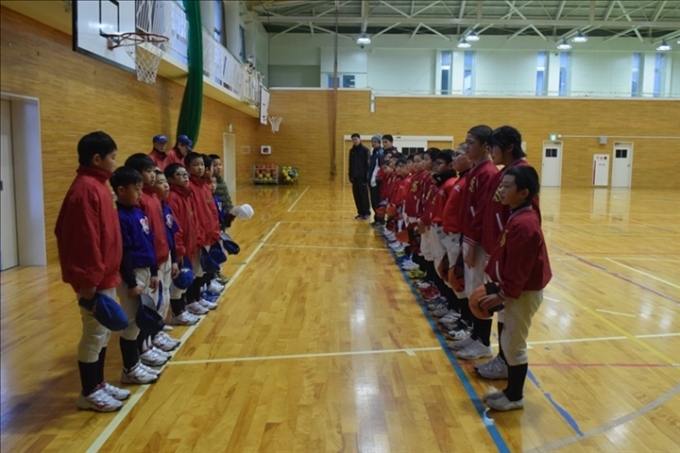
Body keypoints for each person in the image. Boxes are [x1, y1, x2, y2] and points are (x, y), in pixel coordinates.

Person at [55, 131, 129, 412]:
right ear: (97, 159)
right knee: (94, 333)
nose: (115, 162)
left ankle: (98, 383)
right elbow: (84, 239)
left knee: (102, 331)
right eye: (113, 157)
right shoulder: (85, 189)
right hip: (94, 279)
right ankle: (88, 392)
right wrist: (89, 278)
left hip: (104, 275)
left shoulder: (99, 186)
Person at [481, 165, 551, 411]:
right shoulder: (517, 216)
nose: (501, 190)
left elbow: (519, 268)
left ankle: (515, 396)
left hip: (523, 292)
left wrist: (502, 293)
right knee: (509, 341)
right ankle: (510, 391)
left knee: (514, 344)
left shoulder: (525, 224)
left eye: (507, 186)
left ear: (524, 193)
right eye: (502, 185)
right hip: (516, 290)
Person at [475, 126, 537, 380]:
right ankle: (502, 358)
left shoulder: (521, 175)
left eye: (494, 146)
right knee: (504, 311)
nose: (490, 151)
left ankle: (505, 362)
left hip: (507, 254)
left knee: (508, 314)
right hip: (498, 250)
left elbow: (529, 222)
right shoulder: (506, 172)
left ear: (510, 147)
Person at [124, 153, 181, 356]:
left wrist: (171, 254)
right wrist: (154, 265)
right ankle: (146, 345)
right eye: (148, 171)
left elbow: (162, 231)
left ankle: (155, 336)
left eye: (153, 171)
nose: (153, 175)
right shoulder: (140, 202)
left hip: (162, 256)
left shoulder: (155, 198)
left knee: (162, 299)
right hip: (149, 260)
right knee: (149, 304)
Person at [451, 125, 499, 361]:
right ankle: (475, 335)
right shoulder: (475, 171)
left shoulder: (487, 173)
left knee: (479, 290)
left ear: (485, 146)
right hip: (470, 238)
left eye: (471, 143)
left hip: (479, 243)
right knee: (471, 289)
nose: (467, 147)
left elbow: (482, 213)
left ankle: (484, 343)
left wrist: (473, 244)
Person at [110, 166, 161, 385]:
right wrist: (131, 282)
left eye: (141, 188)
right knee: (131, 324)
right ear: (121, 190)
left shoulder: (139, 213)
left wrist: (154, 271)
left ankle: (137, 361)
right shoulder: (120, 218)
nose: (141, 193)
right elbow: (125, 253)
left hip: (145, 271)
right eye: (137, 189)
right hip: (132, 275)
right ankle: (129, 369)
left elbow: (149, 243)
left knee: (140, 320)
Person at [164, 163, 200, 326]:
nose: (186, 177)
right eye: (180, 174)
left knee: (186, 280)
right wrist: (179, 249)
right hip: (181, 249)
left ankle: (183, 309)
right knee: (179, 282)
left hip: (189, 245)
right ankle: (177, 313)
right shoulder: (173, 198)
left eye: (186, 174)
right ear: (171, 179)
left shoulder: (185, 195)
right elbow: (175, 228)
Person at [348, 133, 371, 220]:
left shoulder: (365, 150)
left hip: (362, 178)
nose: (354, 141)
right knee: (356, 196)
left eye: (356, 139)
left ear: (359, 139)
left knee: (364, 196)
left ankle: (366, 212)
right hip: (355, 177)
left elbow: (368, 165)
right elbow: (350, 164)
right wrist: (350, 175)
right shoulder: (352, 151)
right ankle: (360, 212)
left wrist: (366, 176)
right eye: (353, 139)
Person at [368, 134, 384, 226]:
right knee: (373, 202)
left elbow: (380, 168)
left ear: (379, 142)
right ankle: (377, 219)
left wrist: (376, 179)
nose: (373, 143)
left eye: (375, 142)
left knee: (378, 202)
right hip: (372, 181)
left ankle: (380, 219)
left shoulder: (380, 153)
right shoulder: (373, 153)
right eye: (372, 142)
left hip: (377, 182)